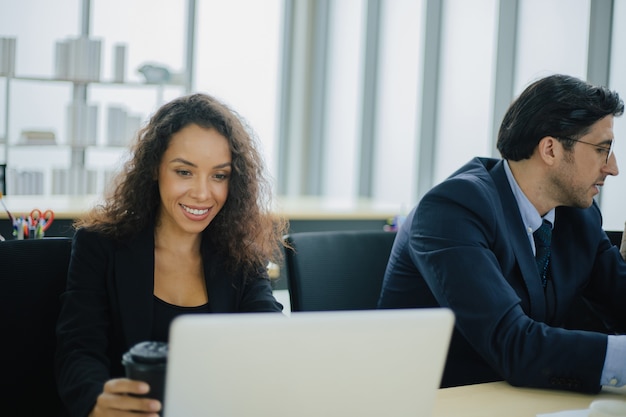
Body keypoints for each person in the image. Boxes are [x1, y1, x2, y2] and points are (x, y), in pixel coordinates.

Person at [378, 74, 626, 393]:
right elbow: (512, 343)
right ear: (550, 150)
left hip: (520, 397)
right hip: (436, 401)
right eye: (602, 150)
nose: (613, 167)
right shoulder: (452, 209)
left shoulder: (579, 214)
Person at [56, 93, 288, 417]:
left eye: (219, 175)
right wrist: (96, 402)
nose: (203, 193)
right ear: (155, 168)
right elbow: (78, 350)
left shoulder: (242, 258)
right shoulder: (99, 245)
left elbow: (270, 340)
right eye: (184, 172)